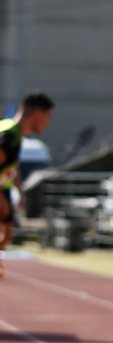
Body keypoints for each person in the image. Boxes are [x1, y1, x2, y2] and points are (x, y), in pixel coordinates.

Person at [0, 93, 54, 252]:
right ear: (37, 113)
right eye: (48, 116)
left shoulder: (13, 133)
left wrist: (18, 190)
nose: (48, 123)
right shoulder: (9, 136)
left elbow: (11, 165)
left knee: (6, 234)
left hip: (4, 189)